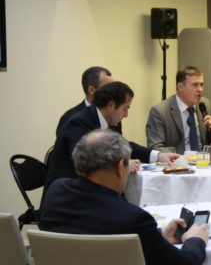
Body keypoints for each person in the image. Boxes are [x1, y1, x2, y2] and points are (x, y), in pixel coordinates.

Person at [40, 129, 208, 265]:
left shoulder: (56, 192)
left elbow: (91, 231)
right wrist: (195, 240)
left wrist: (158, 237)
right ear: (121, 167)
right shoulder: (132, 218)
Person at [46, 81, 178, 190]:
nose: (126, 115)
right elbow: (82, 160)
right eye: (125, 108)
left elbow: (123, 145)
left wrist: (158, 155)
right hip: (69, 191)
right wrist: (119, 163)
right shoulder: (79, 122)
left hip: (95, 187)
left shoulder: (113, 121)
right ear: (111, 105)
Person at [146, 66, 211, 154]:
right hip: (177, 164)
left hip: (204, 163)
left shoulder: (205, 104)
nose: (200, 89)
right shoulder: (160, 111)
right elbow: (155, 148)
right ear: (180, 87)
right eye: (195, 85)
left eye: (201, 85)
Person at [55, 66, 113, 138]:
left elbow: (119, 145)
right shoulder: (70, 118)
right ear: (91, 90)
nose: (113, 92)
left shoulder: (113, 115)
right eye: (109, 88)